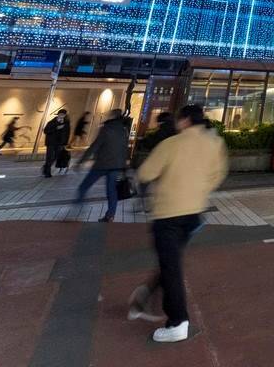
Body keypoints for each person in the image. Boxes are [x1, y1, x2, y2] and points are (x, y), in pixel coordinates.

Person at [133, 104, 227, 343]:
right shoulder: (214, 144)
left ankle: (178, 322)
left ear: (184, 121)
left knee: (171, 266)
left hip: (169, 214)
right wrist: (199, 189)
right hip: (194, 214)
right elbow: (218, 173)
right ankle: (145, 294)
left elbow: (145, 173)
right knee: (171, 261)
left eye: (179, 120)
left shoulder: (171, 144)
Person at [74, 109, 131, 222]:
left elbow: (95, 146)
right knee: (112, 191)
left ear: (112, 116)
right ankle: (110, 215)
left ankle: (77, 211)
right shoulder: (124, 130)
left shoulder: (106, 128)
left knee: (83, 186)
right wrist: (124, 165)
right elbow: (125, 149)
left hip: (102, 164)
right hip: (117, 166)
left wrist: (81, 161)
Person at [41, 109, 70, 177]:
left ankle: (46, 167)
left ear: (65, 115)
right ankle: (47, 173)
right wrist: (56, 127)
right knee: (49, 157)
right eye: (60, 114)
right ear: (58, 114)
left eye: (63, 115)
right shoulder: (51, 122)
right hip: (51, 143)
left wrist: (65, 143)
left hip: (60, 143)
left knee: (56, 157)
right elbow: (46, 131)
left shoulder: (66, 123)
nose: (62, 116)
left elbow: (67, 133)